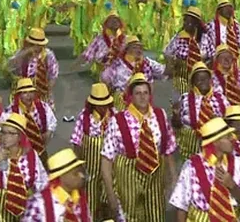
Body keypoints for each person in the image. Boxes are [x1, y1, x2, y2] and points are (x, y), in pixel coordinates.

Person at [101, 73, 177, 222]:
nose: (142, 97)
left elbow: (168, 148)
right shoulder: (118, 120)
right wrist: (110, 192)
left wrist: (173, 177)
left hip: (155, 172)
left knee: (156, 214)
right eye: (138, 93)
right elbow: (106, 159)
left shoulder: (160, 115)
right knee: (131, 215)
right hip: (128, 173)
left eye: (145, 93)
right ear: (131, 96)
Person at [170, 117, 240, 222]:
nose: (232, 138)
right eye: (227, 136)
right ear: (215, 142)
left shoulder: (236, 162)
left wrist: (232, 186)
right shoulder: (192, 166)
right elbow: (181, 206)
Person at [0, 112, 48, 221]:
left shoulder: (31, 156)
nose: (4, 137)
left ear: (20, 137)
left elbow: (42, 184)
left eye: (10, 133)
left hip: (25, 209)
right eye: (3, 132)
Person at [69, 83, 114, 221]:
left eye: (104, 104)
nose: (102, 107)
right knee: (90, 202)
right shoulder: (84, 118)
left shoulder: (115, 116)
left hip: (111, 168)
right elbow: (77, 142)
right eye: (98, 104)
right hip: (90, 169)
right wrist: (78, 166)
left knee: (110, 201)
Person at [171, 61, 229, 159]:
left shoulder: (220, 97)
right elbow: (176, 125)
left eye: (205, 79)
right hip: (191, 144)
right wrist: (176, 115)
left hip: (215, 141)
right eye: (199, 79)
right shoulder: (185, 98)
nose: (203, 82)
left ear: (210, 80)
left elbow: (229, 120)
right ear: (193, 82)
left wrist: (219, 121)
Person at [23, 148, 91, 221]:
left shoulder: (79, 198)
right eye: (75, 174)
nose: (82, 176)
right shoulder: (38, 203)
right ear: (61, 177)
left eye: (80, 172)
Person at [100, 35, 166, 109]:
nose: (139, 50)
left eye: (140, 48)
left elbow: (164, 70)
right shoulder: (117, 64)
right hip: (123, 100)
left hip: (144, 98)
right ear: (127, 50)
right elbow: (104, 79)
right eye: (135, 47)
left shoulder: (147, 62)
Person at [2, 78, 57, 161]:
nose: (29, 95)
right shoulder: (10, 112)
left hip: (41, 149)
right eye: (25, 93)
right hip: (20, 152)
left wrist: (48, 132)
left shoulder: (43, 107)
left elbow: (52, 121)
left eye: (31, 92)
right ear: (19, 95)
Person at [8, 27, 58, 105]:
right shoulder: (22, 53)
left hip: (41, 92)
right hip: (23, 92)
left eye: (39, 45)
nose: (36, 47)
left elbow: (53, 75)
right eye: (33, 45)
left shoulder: (48, 55)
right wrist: (25, 53)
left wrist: (48, 91)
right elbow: (10, 65)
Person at [163, 6, 206, 94]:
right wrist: (171, 65)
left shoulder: (204, 38)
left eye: (190, 22)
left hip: (199, 74)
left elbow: (212, 56)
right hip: (182, 73)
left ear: (196, 24)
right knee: (181, 101)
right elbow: (167, 52)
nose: (187, 24)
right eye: (186, 21)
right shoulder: (179, 36)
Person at [201, 0, 240, 65]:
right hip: (219, 59)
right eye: (225, 8)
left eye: (230, 8)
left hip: (235, 60)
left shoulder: (235, 24)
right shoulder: (212, 25)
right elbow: (206, 42)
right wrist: (210, 56)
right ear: (219, 11)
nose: (228, 11)